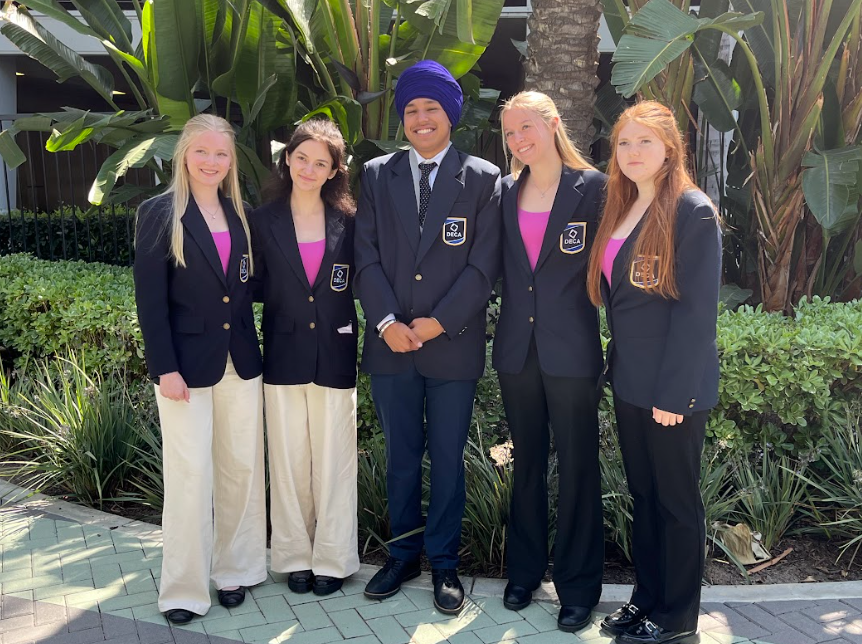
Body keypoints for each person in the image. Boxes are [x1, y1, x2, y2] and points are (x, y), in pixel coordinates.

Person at [354, 60, 502, 615]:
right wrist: (388, 323)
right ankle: (402, 556)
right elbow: (364, 255)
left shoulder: (484, 178)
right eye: (411, 109)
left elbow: (484, 265)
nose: (420, 119)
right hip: (391, 346)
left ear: (451, 116)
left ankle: (444, 564)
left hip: (452, 346)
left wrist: (438, 322)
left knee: (446, 457)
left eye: (431, 109)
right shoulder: (375, 174)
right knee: (400, 457)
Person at [586, 101, 721, 644]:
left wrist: (676, 393)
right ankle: (646, 602)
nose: (632, 152)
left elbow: (695, 316)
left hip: (672, 391)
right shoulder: (622, 207)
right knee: (644, 497)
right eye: (624, 143)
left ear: (670, 148)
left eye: (645, 142)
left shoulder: (691, 210)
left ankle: (676, 616)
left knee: (676, 503)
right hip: (631, 384)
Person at [133, 114, 266, 624]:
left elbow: (249, 289)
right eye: (202, 152)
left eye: (221, 154)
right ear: (184, 155)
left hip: (241, 363)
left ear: (232, 162)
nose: (211, 162)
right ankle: (183, 590)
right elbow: (151, 301)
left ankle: (232, 569)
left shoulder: (241, 214)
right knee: (189, 477)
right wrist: (164, 367)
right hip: (184, 370)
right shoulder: (158, 213)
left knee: (240, 470)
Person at [492, 91, 605, 631]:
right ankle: (524, 573)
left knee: (579, 468)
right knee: (528, 464)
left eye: (526, 128)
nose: (518, 140)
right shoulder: (503, 192)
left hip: (573, 352)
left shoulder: (595, 190)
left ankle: (578, 588)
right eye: (510, 133)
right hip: (517, 351)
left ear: (554, 124)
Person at [250, 118, 359, 596]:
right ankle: (294, 555)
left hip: (335, 350)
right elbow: (244, 285)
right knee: (289, 459)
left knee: (335, 459)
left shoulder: (351, 222)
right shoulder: (261, 219)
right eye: (302, 159)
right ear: (287, 160)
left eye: (321, 162)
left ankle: (333, 558)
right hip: (283, 350)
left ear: (335, 170)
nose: (309, 169)